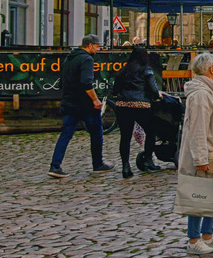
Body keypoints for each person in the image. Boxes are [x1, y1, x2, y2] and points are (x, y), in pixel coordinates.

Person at [179, 52, 213, 256]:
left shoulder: (209, 92)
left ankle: (207, 234)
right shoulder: (201, 95)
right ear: (212, 69)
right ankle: (194, 239)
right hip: (204, 154)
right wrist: (200, 159)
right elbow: (198, 129)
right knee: (199, 196)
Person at [49, 35, 113, 178]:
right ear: (89, 45)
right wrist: (95, 100)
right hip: (85, 104)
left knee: (66, 134)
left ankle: (55, 165)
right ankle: (98, 164)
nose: (98, 49)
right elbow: (86, 83)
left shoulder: (70, 58)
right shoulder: (87, 59)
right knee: (97, 132)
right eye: (97, 46)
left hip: (69, 102)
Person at [111, 43, 163, 179]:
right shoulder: (146, 70)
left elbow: (115, 90)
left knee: (125, 137)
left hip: (123, 106)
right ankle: (148, 159)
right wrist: (157, 95)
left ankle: (126, 166)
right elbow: (153, 89)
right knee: (151, 131)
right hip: (141, 105)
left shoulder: (124, 70)